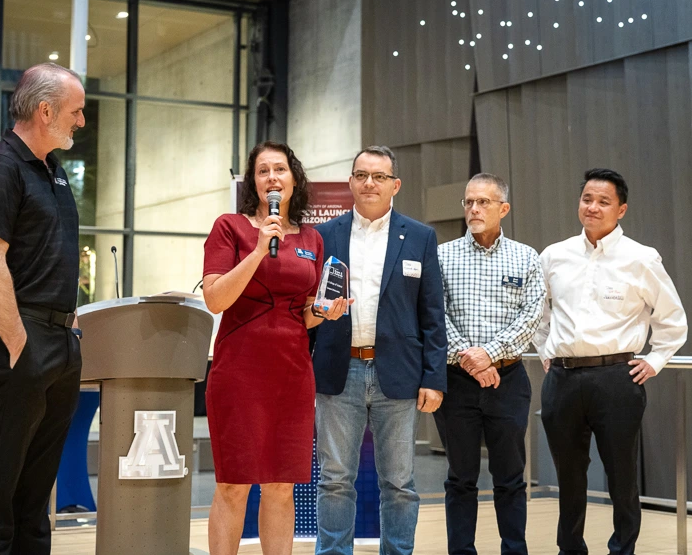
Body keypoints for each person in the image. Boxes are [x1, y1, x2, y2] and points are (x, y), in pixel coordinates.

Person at [202, 141, 347, 555]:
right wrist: (257, 250)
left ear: (294, 179)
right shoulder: (230, 227)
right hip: (239, 369)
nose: (272, 178)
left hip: (292, 371)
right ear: (254, 182)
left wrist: (325, 311)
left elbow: (303, 313)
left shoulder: (312, 239)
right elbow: (216, 299)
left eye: (279, 170)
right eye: (263, 171)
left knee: (281, 486)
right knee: (233, 484)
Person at [534, 168, 688, 555]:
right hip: (563, 380)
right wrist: (546, 350)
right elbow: (537, 313)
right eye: (587, 198)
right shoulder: (554, 254)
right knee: (568, 476)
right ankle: (570, 549)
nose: (593, 207)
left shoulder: (641, 258)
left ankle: (623, 549)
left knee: (621, 475)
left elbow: (672, 319)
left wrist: (654, 360)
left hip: (618, 379)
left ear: (621, 209)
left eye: (603, 201)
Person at [0, 62, 86, 554]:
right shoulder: (1, 167)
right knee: (0, 489)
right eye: (75, 112)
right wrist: (20, 344)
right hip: (24, 343)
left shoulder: (53, 171)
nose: (80, 121)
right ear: (44, 110)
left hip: (60, 344)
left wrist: (67, 335)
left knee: (36, 497)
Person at [313, 145, 447, 555]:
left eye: (379, 176)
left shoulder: (420, 237)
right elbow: (307, 309)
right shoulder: (323, 235)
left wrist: (434, 378)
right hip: (339, 371)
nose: (370, 183)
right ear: (351, 182)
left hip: (399, 375)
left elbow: (432, 315)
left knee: (400, 483)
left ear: (395, 185)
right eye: (361, 175)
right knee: (335, 480)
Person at [435, 173, 546, 555]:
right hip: (456, 381)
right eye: (468, 202)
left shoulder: (526, 257)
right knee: (460, 478)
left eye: (483, 202)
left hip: (509, 381)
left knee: (510, 478)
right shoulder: (442, 255)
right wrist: (470, 358)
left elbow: (532, 316)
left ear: (504, 209)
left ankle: (514, 550)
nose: (474, 209)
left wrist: (491, 354)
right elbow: (435, 315)